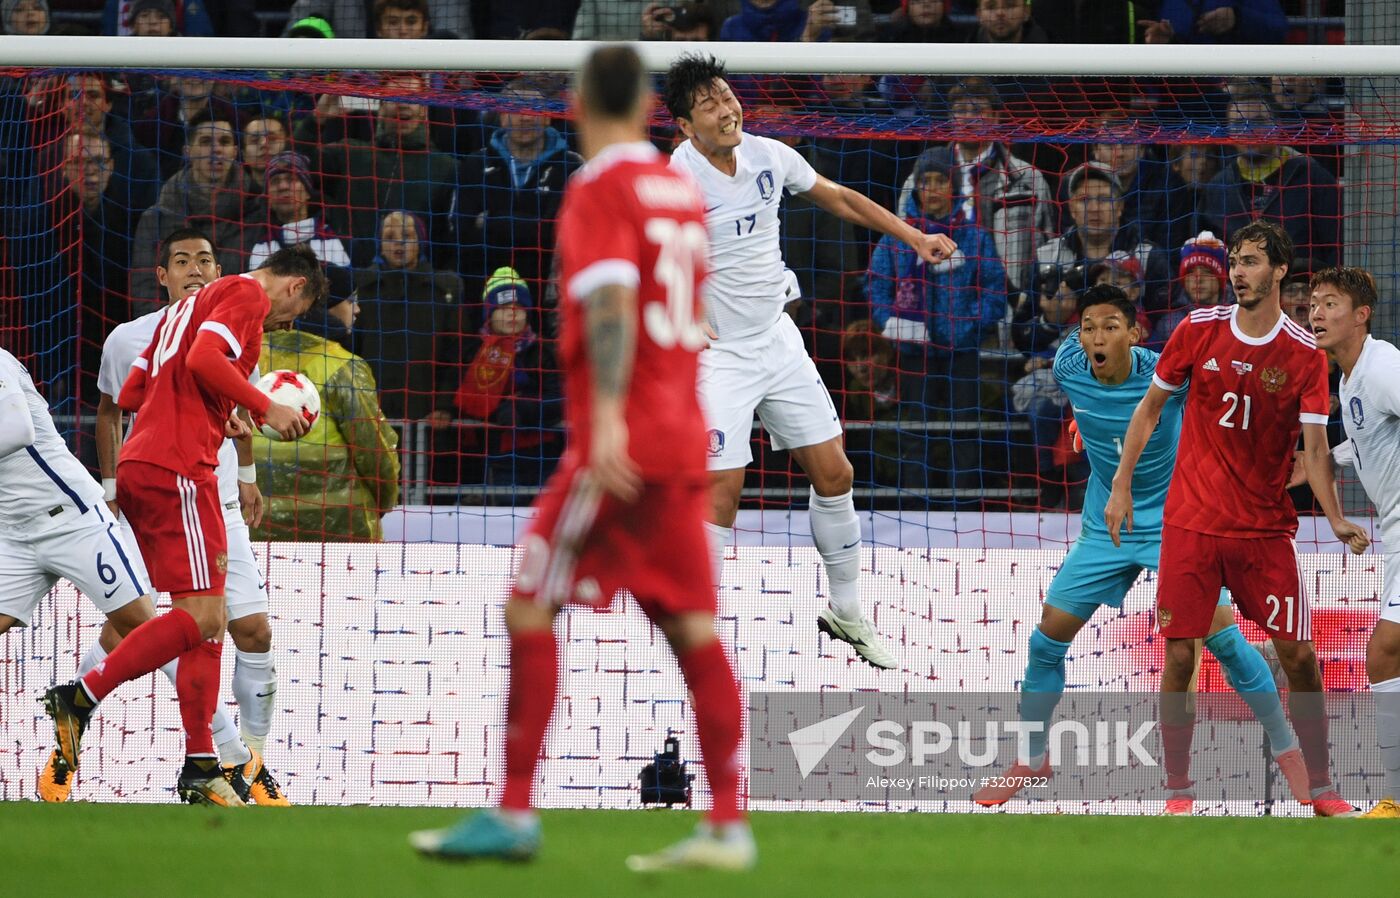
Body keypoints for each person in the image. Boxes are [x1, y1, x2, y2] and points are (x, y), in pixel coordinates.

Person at [409, 44, 753, 871]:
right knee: (691, 626)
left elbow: (609, 303)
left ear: (579, 102)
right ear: (646, 106)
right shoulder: (679, 189)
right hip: (683, 435)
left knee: (530, 605)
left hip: (623, 437)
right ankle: (727, 823)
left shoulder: (600, 186)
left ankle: (514, 811)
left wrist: (602, 423)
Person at [665, 54, 957, 670]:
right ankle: (697, 633)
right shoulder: (678, 180)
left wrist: (914, 236)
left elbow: (840, 199)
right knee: (721, 493)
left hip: (777, 339)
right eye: (708, 105)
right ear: (686, 126)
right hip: (717, 356)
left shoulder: (770, 155)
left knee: (835, 473)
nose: (725, 110)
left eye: (726, 95)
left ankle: (847, 612)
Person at [974, 283, 1310, 809]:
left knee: (1222, 640)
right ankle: (1032, 758)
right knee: (1046, 642)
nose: (1097, 337)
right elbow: (1086, 401)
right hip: (1105, 527)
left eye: (1110, 327)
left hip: (1177, 523)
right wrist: (1080, 424)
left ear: (1134, 334)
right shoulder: (1068, 366)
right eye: (1089, 328)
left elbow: (1220, 406)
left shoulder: (1167, 373)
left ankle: (1287, 748)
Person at [41, 245, 325, 807]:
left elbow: (132, 393)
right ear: (295, 286)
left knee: (208, 621)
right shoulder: (245, 295)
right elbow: (202, 360)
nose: (289, 322)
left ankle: (200, 764)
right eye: (299, 310)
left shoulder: (183, 309)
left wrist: (217, 411)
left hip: (144, 463)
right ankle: (81, 697)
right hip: (180, 468)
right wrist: (263, 406)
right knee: (200, 618)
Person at [1105, 220, 1369, 817]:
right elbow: (1149, 409)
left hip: (1262, 532)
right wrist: (1120, 485)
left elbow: (1315, 450)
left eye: (1250, 262)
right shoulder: (1197, 330)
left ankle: (1322, 787)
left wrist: (1335, 517)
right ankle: (1178, 791)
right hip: (1192, 524)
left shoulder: (1304, 353)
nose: (1238, 273)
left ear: (1280, 271)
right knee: (1180, 655)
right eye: (1235, 262)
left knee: (1299, 657)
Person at [1309, 266, 1400, 818]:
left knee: (1384, 652)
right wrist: (1320, 463)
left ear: (1361, 315)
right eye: (1313, 304)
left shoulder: (1383, 365)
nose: (1316, 313)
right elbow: (1369, 440)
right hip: (1393, 536)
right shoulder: (1348, 380)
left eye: (1330, 303)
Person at [867, 146, 1006, 498]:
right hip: (913, 352)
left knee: (965, 433)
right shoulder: (899, 235)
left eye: (939, 180)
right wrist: (891, 323)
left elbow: (995, 289)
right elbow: (876, 285)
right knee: (915, 432)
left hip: (963, 352)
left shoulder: (974, 236)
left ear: (953, 185)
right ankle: (917, 507)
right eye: (924, 181)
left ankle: (965, 506)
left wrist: (969, 327)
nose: (931, 189)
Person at [251, 311, 401, 542]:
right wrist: (386, 501)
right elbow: (374, 450)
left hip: (253, 525)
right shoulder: (340, 366)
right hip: (340, 529)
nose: (357, 309)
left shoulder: (242, 359)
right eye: (350, 300)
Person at [130, 111, 262, 313]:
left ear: (235, 152)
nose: (216, 149)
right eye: (206, 141)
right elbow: (145, 290)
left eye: (224, 142)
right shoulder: (157, 217)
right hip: (172, 326)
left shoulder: (258, 212)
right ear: (188, 151)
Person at [355, 210, 464, 423]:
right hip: (371, 413)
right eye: (390, 237)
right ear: (380, 244)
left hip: (429, 417)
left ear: (420, 242)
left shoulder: (445, 289)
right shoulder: (362, 288)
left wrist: (445, 405)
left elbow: (457, 352)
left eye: (407, 236)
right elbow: (351, 351)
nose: (399, 243)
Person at [248, 151, 351, 270]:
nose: (283, 187)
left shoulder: (338, 236)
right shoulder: (257, 247)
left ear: (307, 192)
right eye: (275, 181)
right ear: (268, 200)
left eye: (291, 179)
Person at [1147, 230, 1230, 351]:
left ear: (1221, 279)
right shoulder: (1169, 324)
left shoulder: (1240, 315)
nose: (1198, 279)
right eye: (1191, 273)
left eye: (1207, 272)